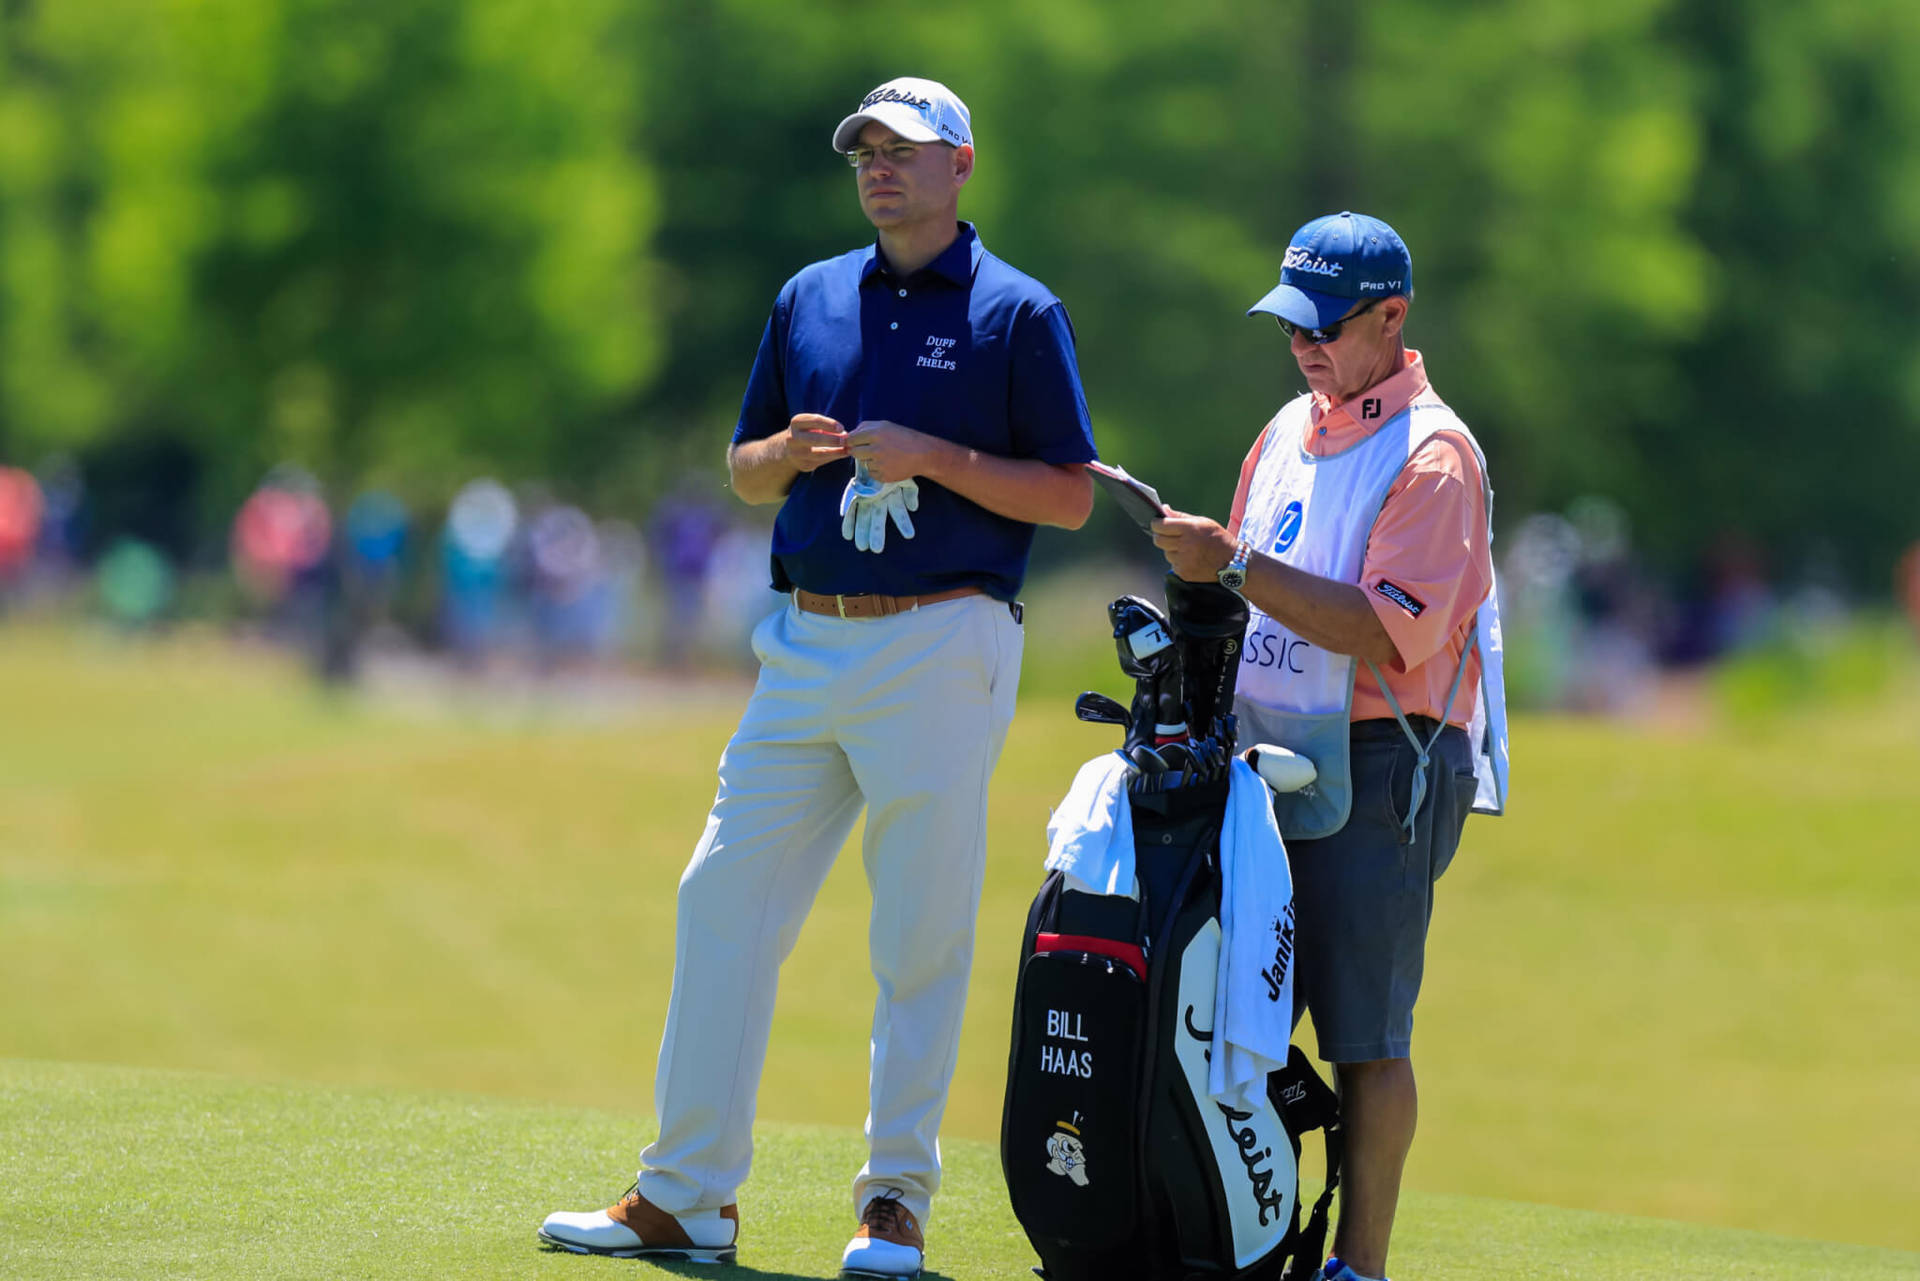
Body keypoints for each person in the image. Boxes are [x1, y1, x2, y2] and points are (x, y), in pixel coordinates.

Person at [538, 76, 1097, 1279]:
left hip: (942, 641)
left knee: (918, 936)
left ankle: (894, 1201)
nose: (879, 168)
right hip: (803, 641)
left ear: (962, 165)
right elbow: (743, 471)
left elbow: (1066, 490)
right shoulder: (809, 297)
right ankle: (686, 1196)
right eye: (865, 152)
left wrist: (936, 459)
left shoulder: (1016, 313)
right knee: (720, 896)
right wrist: (784, 453)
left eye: (902, 150)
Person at [1150, 211, 1508, 1281]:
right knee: (1232, 1017)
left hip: (1388, 765)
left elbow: (1376, 627)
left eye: (1326, 326)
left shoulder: (1437, 456)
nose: (1305, 345)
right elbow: (1237, 588)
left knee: (1364, 1034)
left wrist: (1233, 566)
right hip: (1266, 757)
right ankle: (1232, 1235)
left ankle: (1357, 1267)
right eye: (1291, 327)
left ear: (1391, 318)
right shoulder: (1286, 428)